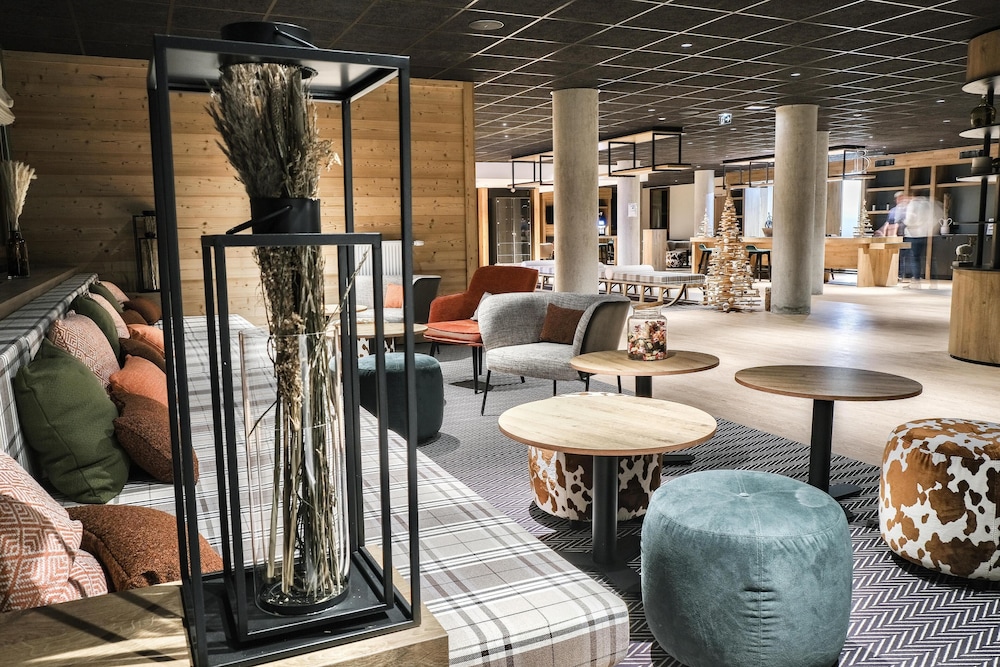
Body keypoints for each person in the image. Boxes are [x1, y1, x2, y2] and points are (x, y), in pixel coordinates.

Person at [898, 196, 942, 282]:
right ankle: (933, 280)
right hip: (928, 235)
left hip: (913, 235)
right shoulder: (929, 203)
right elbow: (938, 216)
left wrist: (904, 222)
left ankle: (916, 279)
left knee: (915, 258)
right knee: (930, 258)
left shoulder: (913, 204)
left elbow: (909, 220)